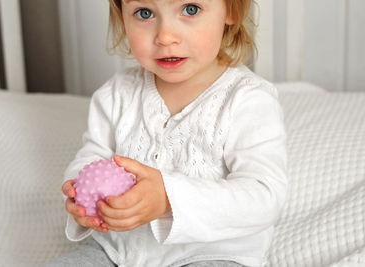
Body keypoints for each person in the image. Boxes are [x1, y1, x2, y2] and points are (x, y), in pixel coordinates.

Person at [45, 0, 287, 266]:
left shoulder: (248, 100)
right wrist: (79, 195)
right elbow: (92, 155)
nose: (165, 36)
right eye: (145, 13)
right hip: (116, 249)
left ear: (230, 10)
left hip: (212, 254)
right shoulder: (116, 93)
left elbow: (264, 197)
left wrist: (167, 199)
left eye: (190, 9)